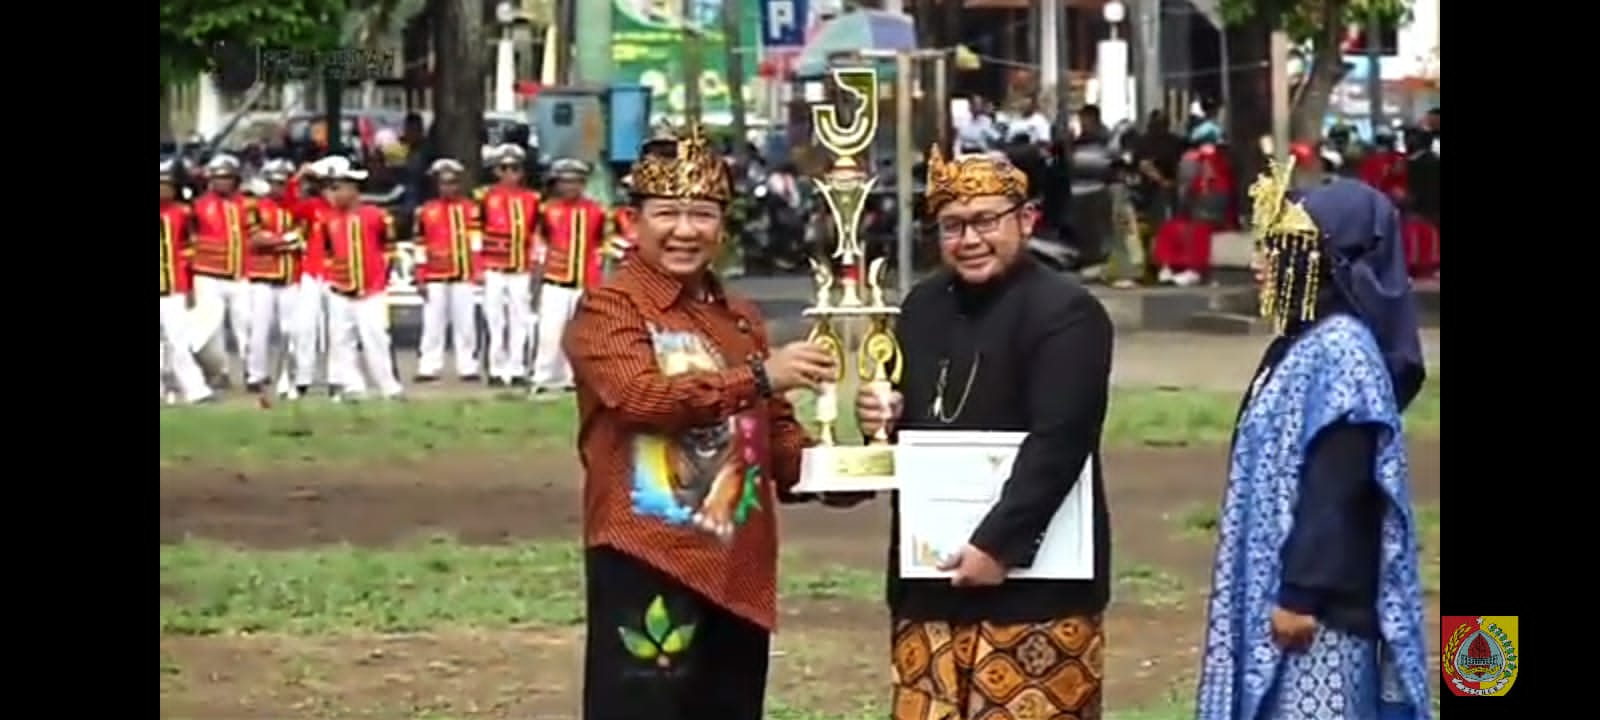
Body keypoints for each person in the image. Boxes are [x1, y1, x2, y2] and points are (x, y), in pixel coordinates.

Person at [563, 128, 850, 720]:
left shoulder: (739, 320)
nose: (685, 230)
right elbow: (643, 398)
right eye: (667, 213)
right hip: (648, 555)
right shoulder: (610, 309)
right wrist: (760, 377)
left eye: (702, 214)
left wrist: (858, 461)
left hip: (737, 569)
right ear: (632, 222)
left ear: (723, 226)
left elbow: (778, 441)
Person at [855, 146, 1115, 720]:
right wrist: (878, 414)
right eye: (952, 225)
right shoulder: (920, 307)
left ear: (1026, 219)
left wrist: (997, 547)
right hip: (933, 579)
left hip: (1034, 586)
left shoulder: (1067, 312)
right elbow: (905, 421)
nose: (969, 239)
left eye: (985, 221)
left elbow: (1062, 440)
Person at [1193, 174, 1431, 720]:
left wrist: (1301, 593)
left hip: (1319, 614)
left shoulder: (1342, 350)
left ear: (1326, 258)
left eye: (1277, 247)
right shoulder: (1302, 343)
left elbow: (1337, 483)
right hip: (1292, 601)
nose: (1259, 263)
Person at [312, 157, 406, 401]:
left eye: (338, 187)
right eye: (331, 188)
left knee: (376, 338)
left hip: (371, 289)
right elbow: (325, 251)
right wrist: (332, 276)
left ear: (353, 189)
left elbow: (389, 248)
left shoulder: (375, 216)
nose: (333, 194)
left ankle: (388, 386)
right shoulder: (327, 220)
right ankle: (352, 385)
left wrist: (381, 278)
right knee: (341, 340)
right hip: (340, 289)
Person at [530, 158, 608, 394]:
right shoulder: (547, 210)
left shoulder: (596, 211)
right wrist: (538, 272)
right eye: (565, 182)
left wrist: (598, 274)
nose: (570, 187)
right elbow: (539, 242)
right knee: (549, 330)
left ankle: (571, 377)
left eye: (575, 182)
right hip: (555, 278)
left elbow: (602, 244)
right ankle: (542, 376)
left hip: (585, 278)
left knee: (578, 333)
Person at [413, 158, 484, 382]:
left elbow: (476, 242)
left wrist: (477, 269)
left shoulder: (470, 209)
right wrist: (420, 276)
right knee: (433, 323)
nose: (448, 187)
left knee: (466, 323)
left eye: (452, 182)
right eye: (443, 183)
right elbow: (420, 245)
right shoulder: (425, 211)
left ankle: (467, 366)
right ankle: (429, 365)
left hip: (462, 274)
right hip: (435, 274)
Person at [478, 144, 543, 387]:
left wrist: (537, 262)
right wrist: (478, 266)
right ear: (496, 171)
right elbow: (476, 232)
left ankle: (516, 368)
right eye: (504, 168)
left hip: (521, 267)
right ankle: (495, 368)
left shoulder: (532, 199)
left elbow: (537, 233)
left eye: (515, 168)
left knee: (521, 318)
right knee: (494, 319)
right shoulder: (485, 197)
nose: (510, 174)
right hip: (493, 266)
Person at [189, 153, 257, 385]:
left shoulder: (247, 203)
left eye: (228, 177)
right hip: (208, 274)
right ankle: (220, 371)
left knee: (246, 324)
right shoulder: (198, 206)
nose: (223, 182)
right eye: (218, 177)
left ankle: (252, 371)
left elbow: (254, 232)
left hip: (240, 273)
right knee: (211, 327)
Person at [242, 160, 305, 395]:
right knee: (259, 328)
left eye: (283, 182)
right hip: (262, 276)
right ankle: (255, 374)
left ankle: (290, 374)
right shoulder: (256, 206)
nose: (278, 187)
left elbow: (304, 235)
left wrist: (277, 241)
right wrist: (285, 240)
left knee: (291, 329)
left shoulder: (297, 207)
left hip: (290, 275)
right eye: (274, 182)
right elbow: (255, 239)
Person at [160, 159, 214, 405]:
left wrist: (190, 285)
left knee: (179, 341)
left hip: (174, 288)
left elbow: (191, 249)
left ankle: (196, 390)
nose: (163, 190)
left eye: (167, 186)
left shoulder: (183, 213)